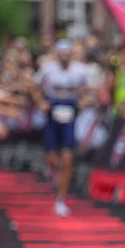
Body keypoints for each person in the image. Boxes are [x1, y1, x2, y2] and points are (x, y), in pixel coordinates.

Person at [34, 38, 92, 216]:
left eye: (68, 53)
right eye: (62, 53)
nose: (64, 57)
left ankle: (61, 198)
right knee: (52, 157)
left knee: (67, 157)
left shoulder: (81, 71)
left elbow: (90, 91)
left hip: (70, 111)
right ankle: (56, 173)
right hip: (52, 110)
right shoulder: (47, 69)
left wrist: (83, 101)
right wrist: (41, 102)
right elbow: (34, 86)